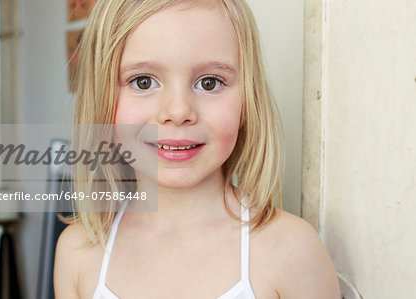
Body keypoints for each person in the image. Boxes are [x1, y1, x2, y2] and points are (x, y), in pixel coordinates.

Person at [54, 0, 341, 298]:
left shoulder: (290, 251)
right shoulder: (77, 253)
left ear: (247, 103)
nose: (178, 111)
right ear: (101, 100)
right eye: (142, 81)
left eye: (209, 82)